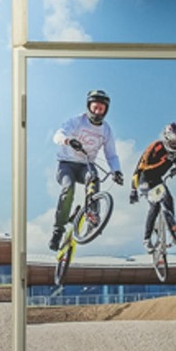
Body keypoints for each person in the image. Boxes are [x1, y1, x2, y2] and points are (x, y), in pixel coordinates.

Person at [48, 90, 124, 251]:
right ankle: (57, 231)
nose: (97, 112)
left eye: (101, 109)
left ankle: (91, 214)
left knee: (94, 178)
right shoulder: (76, 121)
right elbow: (58, 135)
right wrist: (68, 140)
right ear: (89, 106)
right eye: (95, 108)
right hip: (66, 164)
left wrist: (116, 171)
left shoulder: (106, 130)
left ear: (106, 110)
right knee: (68, 189)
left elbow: (111, 155)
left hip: (85, 166)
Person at [130, 122, 176, 252]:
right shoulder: (155, 147)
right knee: (155, 205)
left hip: (157, 181)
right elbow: (139, 168)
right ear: (167, 137)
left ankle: (172, 230)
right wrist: (133, 189)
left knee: (168, 199)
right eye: (174, 141)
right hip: (144, 180)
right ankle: (146, 239)